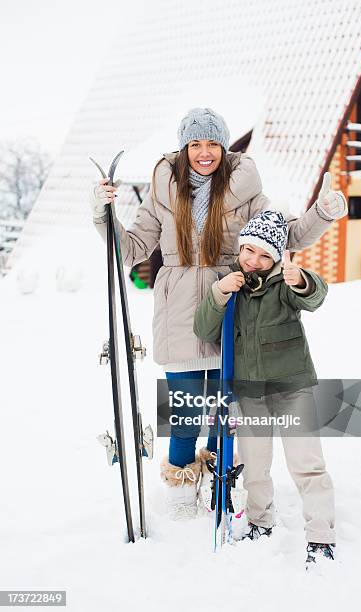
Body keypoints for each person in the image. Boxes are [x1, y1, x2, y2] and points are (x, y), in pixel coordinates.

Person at [90, 107, 347, 521]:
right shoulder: (162, 186)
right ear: (184, 147)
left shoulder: (246, 189)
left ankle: (220, 479)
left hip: (233, 308)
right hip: (178, 312)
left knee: (226, 409)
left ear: (225, 148)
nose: (204, 153)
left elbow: (287, 233)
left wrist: (324, 212)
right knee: (186, 407)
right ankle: (179, 486)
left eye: (212, 143)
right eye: (195, 144)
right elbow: (132, 248)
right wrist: (103, 215)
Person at [193, 210, 335, 569]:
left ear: (275, 258)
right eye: (249, 251)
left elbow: (314, 297)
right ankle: (260, 522)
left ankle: (320, 537)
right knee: (254, 465)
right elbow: (204, 330)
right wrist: (218, 294)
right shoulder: (232, 283)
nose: (254, 261)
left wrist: (301, 279)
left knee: (306, 464)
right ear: (241, 248)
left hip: (292, 388)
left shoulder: (284, 284)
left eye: (264, 255)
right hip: (250, 392)